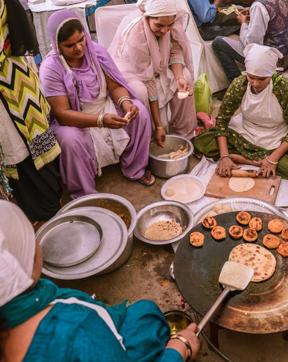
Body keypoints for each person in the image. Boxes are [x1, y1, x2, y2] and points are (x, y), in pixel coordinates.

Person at [0, 200, 201, 361]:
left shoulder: (26, 306)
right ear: (21, 263)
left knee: (145, 313)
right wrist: (179, 349)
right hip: (101, 343)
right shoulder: (76, 327)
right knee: (153, 325)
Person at [39, 10, 155, 199]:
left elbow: (115, 86)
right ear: (57, 45)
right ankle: (84, 193)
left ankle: (135, 168)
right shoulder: (51, 68)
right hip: (74, 118)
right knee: (70, 139)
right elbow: (62, 113)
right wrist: (100, 121)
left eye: (81, 39)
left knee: (139, 111)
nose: (78, 48)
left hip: (104, 106)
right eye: (70, 45)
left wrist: (125, 103)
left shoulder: (96, 52)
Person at [193, 44, 288, 181]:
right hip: (245, 132)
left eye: (261, 79)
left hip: (277, 136)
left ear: (271, 75)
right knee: (201, 142)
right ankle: (251, 161)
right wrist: (224, 156)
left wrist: (273, 159)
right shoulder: (239, 85)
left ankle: (247, 159)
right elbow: (223, 120)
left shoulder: (286, 89)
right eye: (251, 77)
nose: (255, 83)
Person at [0, 0, 62, 221]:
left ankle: (45, 211)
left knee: (25, 153)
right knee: (29, 151)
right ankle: (46, 208)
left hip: (12, 89)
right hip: (19, 82)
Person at [110, 0, 197, 147]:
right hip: (133, 72)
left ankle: (184, 136)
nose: (164, 31)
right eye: (159, 25)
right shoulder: (136, 33)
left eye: (168, 26)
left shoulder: (171, 23)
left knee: (185, 77)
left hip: (159, 68)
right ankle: (148, 140)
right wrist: (159, 125)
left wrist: (179, 77)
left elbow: (175, 50)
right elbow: (148, 79)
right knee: (140, 92)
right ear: (147, 17)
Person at [212, 0, 288, 83]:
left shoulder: (259, 6)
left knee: (218, 42)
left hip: (271, 62)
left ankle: (239, 85)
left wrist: (243, 23)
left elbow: (251, 45)